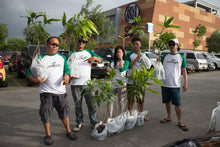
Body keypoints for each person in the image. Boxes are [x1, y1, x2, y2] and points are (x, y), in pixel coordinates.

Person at [27, 36, 77, 145]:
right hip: (46, 93)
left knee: (64, 114)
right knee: (46, 114)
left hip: (61, 92)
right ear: (47, 44)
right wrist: (35, 80)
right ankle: (48, 134)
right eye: (52, 44)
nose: (54, 46)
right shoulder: (40, 59)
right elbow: (29, 74)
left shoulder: (62, 58)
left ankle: (68, 131)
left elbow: (67, 70)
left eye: (57, 45)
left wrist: (67, 76)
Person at [69, 37, 101, 132]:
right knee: (78, 104)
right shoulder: (71, 54)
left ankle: (93, 122)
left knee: (91, 104)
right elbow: (67, 67)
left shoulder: (89, 52)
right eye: (80, 41)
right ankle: (79, 122)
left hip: (87, 84)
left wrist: (94, 58)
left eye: (84, 42)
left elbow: (101, 61)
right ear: (76, 41)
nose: (82, 43)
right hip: (75, 84)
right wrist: (69, 76)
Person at [160, 38, 188, 131]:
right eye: (170, 44)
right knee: (167, 102)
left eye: (173, 44)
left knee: (177, 104)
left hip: (175, 85)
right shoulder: (165, 57)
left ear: (177, 46)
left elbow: (184, 71)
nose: (171, 46)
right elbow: (159, 67)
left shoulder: (181, 57)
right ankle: (169, 117)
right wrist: (157, 60)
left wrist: (186, 83)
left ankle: (180, 121)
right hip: (165, 83)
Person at [125, 37, 151, 120]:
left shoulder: (145, 55)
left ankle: (140, 115)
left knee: (140, 99)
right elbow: (129, 65)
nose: (135, 45)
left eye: (137, 43)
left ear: (140, 44)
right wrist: (137, 58)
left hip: (141, 81)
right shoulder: (129, 54)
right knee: (130, 99)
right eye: (134, 44)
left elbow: (148, 67)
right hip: (131, 80)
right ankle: (129, 114)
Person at [107, 45, 130, 118]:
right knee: (110, 101)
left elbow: (122, 69)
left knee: (121, 102)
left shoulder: (126, 62)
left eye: (119, 52)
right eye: (116, 52)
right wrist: (108, 70)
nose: (118, 53)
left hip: (121, 85)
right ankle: (109, 117)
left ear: (123, 53)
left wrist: (120, 59)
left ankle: (120, 117)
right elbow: (109, 71)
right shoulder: (112, 62)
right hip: (112, 84)